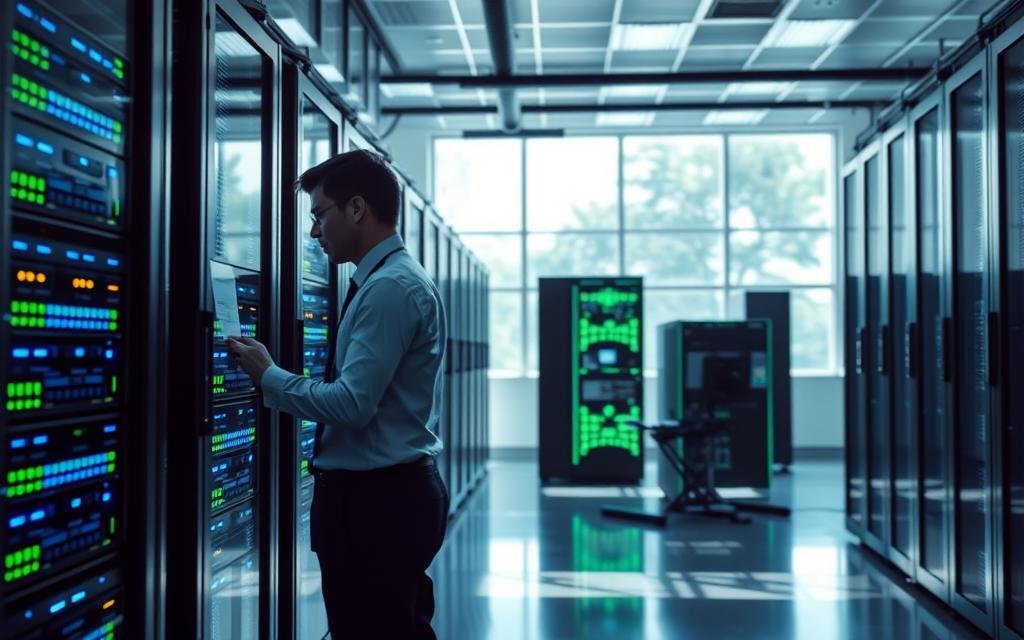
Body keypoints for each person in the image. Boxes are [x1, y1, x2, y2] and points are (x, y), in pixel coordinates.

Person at [226, 149, 449, 639]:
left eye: (318, 214)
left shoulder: (390, 288)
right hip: (385, 496)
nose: (313, 232)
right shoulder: (382, 282)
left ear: (356, 209)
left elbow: (351, 405)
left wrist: (269, 376)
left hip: (379, 503)